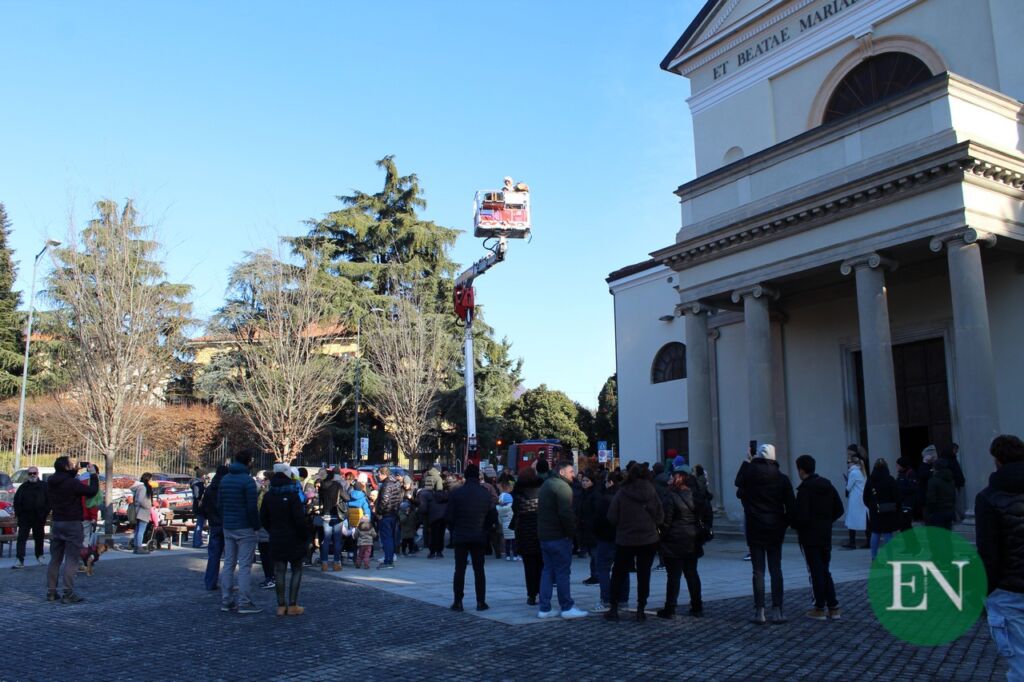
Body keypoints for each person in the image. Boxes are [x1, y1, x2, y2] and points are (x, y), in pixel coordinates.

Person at [976, 434, 1024, 680]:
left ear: (997, 460)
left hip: (1008, 589)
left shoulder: (988, 497)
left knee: (1020, 663)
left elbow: (988, 553)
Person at [736, 444, 795, 624]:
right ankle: (777, 609)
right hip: (775, 527)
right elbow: (791, 506)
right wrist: (783, 523)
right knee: (776, 569)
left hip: (755, 526)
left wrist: (747, 461)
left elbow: (738, 483)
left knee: (758, 571)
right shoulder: (782, 478)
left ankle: (759, 611)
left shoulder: (750, 476)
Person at [605, 463, 664, 622]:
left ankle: (614, 607)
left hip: (626, 539)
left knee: (619, 573)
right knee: (644, 574)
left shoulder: (622, 492)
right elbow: (660, 517)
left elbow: (612, 516)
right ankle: (641, 609)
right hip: (648, 539)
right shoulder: (652, 492)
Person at [791, 454, 845, 621]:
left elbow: (801, 517)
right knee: (824, 570)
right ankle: (833, 606)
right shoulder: (827, 485)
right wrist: (826, 521)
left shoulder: (805, 490)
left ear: (801, 470)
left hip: (809, 536)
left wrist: (795, 524)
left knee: (815, 571)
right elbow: (839, 509)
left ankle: (819, 607)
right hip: (825, 534)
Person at [537, 460, 589, 619]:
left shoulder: (546, 485)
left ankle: (544, 608)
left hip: (545, 536)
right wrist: (571, 533)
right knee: (562, 572)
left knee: (547, 571)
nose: (574, 474)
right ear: (561, 472)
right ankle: (566, 607)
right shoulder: (563, 487)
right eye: (571, 471)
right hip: (559, 536)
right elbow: (565, 513)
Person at [445, 464, 498, 612]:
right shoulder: (485, 493)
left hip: (461, 534)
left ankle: (458, 602)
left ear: (466, 476)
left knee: (459, 569)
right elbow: (493, 515)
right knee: (479, 570)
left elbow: (448, 516)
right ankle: (481, 602)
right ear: (478, 477)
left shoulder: (457, 493)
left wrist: (454, 529)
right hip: (479, 534)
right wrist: (485, 528)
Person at [45, 457, 98, 604]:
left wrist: (74, 470)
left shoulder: (51, 481)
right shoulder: (72, 483)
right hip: (72, 522)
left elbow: (64, 479)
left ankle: (51, 591)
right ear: (66, 467)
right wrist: (93, 474)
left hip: (57, 522)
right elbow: (92, 491)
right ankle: (68, 593)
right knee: (72, 559)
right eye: (71, 464)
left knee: (55, 558)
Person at [656, 465, 705, 619]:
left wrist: (660, 537)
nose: (669, 479)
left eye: (672, 477)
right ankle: (697, 606)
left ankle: (670, 608)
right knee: (692, 574)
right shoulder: (694, 495)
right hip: (692, 538)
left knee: (674, 576)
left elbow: (666, 522)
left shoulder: (670, 497)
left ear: (678, 479)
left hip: (674, 540)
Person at [218, 450, 262, 615]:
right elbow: (252, 507)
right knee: (244, 566)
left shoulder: (225, 479)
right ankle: (244, 602)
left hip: (228, 525)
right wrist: (256, 525)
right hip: (245, 526)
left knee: (229, 563)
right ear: (248, 462)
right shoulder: (248, 481)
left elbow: (219, 504)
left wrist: (225, 519)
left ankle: (226, 600)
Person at [260, 465, 308, 617]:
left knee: (279, 571)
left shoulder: (269, 495)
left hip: (277, 536)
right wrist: (304, 535)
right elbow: (299, 519)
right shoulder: (293, 495)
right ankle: (292, 604)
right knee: (297, 569)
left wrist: (272, 530)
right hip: (294, 537)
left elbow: (263, 518)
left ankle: (281, 606)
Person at [592, 470, 626, 612]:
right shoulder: (625, 496)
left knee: (603, 568)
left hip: (606, 538)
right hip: (623, 538)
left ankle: (606, 599)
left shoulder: (605, 499)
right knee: (622, 568)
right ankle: (623, 599)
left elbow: (598, 520)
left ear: (610, 482)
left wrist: (597, 534)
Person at [511, 466, 544, 604]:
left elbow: (515, 509)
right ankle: (543, 591)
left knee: (529, 566)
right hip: (540, 530)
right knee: (541, 564)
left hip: (524, 532)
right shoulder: (541, 490)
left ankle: (531, 594)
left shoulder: (518, 493)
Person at [863, 459, 901, 560]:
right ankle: (890, 557)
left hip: (875, 511)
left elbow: (865, 497)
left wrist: (871, 506)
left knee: (875, 533)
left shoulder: (870, 480)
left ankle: (874, 557)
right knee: (888, 533)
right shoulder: (890, 479)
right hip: (888, 510)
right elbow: (896, 496)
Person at [12, 465, 48, 569]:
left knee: (39, 537)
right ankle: (19, 559)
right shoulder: (23, 487)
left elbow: (49, 500)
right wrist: (18, 513)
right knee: (21, 538)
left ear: (37, 473)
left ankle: (40, 556)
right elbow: (16, 500)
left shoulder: (44, 486)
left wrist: (44, 513)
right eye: (30, 473)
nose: (32, 475)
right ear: (27, 475)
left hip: (39, 517)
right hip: (25, 517)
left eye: (34, 473)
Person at [201, 465, 229, 591]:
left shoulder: (209, 489)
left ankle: (210, 582)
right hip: (227, 524)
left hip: (214, 524)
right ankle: (227, 583)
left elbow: (204, 507)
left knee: (213, 556)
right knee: (230, 557)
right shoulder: (227, 488)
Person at [319, 468, 349, 571]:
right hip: (336, 514)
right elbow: (347, 498)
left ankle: (324, 563)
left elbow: (321, 500)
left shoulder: (322, 486)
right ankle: (336, 563)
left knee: (326, 540)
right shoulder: (337, 485)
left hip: (326, 514)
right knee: (337, 540)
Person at [375, 466, 403, 569]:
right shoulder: (396, 483)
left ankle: (388, 561)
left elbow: (384, 500)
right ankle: (389, 559)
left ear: (384, 474)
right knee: (390, 537)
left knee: (387, 538)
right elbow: (399, 499)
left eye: (379, 474)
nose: (378, 476)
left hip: (386, 514)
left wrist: (379, 512)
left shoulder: (386, 484)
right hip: (393, 513)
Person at [842, 456, 868, 549]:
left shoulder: (853, 472)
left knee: (851, 520)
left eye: (848, 462)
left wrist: (847, 482)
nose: (848, 464)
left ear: (853, 463)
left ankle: (852, 542)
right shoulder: (861, 471)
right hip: (862, 499)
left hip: (855, 500)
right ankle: (868, 541)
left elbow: (848, 487)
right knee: (864, 520)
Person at [420, 478, 449, 559]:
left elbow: (424, 508)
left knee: (433, 535)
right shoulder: (445, 495)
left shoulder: (429, 495)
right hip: (443, 516)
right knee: (441, 535)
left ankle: (432, 552)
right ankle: (439, 551)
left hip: (433, 517)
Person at [926, 458, 957, 530]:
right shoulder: (951, 479)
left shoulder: (933, 481)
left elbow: (931, 498)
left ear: (935, 468)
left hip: (938, 511)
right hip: (949, 510)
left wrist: (930, 511)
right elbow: (954, 495)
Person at [131, 473, 155, 554]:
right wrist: (148, 506)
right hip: (142, 512)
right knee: (141, 530)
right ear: (147, 479)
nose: (152, 481)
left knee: (138, 530)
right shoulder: (143, 488)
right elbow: (141, 500)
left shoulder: (141, 487)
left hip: (140, 511)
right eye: (151, 479)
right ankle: (139, 547)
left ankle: (136, 547)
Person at [190, 467, 207, 548]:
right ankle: (197, 542)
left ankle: (197, 541)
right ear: (202, 476)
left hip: (197, 506)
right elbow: (197, 495)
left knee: (199, 524)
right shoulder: (198, 484)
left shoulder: (196, 483)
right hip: (200, 507)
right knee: (199, 525)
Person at [497, 492, 516, 560]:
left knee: (507, 542)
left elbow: (500, 520)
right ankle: (515, 556)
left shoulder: (499, 509)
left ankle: (507, 555)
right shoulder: (512, 508)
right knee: (514, 543)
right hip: (512, 527)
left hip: (505, 528)